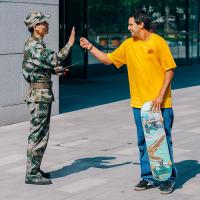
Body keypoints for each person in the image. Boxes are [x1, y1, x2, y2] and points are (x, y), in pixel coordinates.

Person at [80, 10, 177, 194]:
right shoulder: (128, 45)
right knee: (143, 141)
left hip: (160, 104)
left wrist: (159, 95)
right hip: (139, 104)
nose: (128, 27)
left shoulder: (158, 42)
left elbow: (169, 70)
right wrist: (90, 47)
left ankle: (167, 178)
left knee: (162, 141)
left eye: (131, 24)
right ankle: (148, 177)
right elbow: (108, 60)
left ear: (141, 25)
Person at [22, 11, 75, 185]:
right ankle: (31, 173)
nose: (47, 24)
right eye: (44, 22)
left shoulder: (38, 45)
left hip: (41, 95)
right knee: (38, 135)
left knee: (40, 134)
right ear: (36, 26)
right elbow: (55, 58)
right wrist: (69, 44)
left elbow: (43, 67)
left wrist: (54, 71)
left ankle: (34, 169)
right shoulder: (34, 46)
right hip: (39, 97)